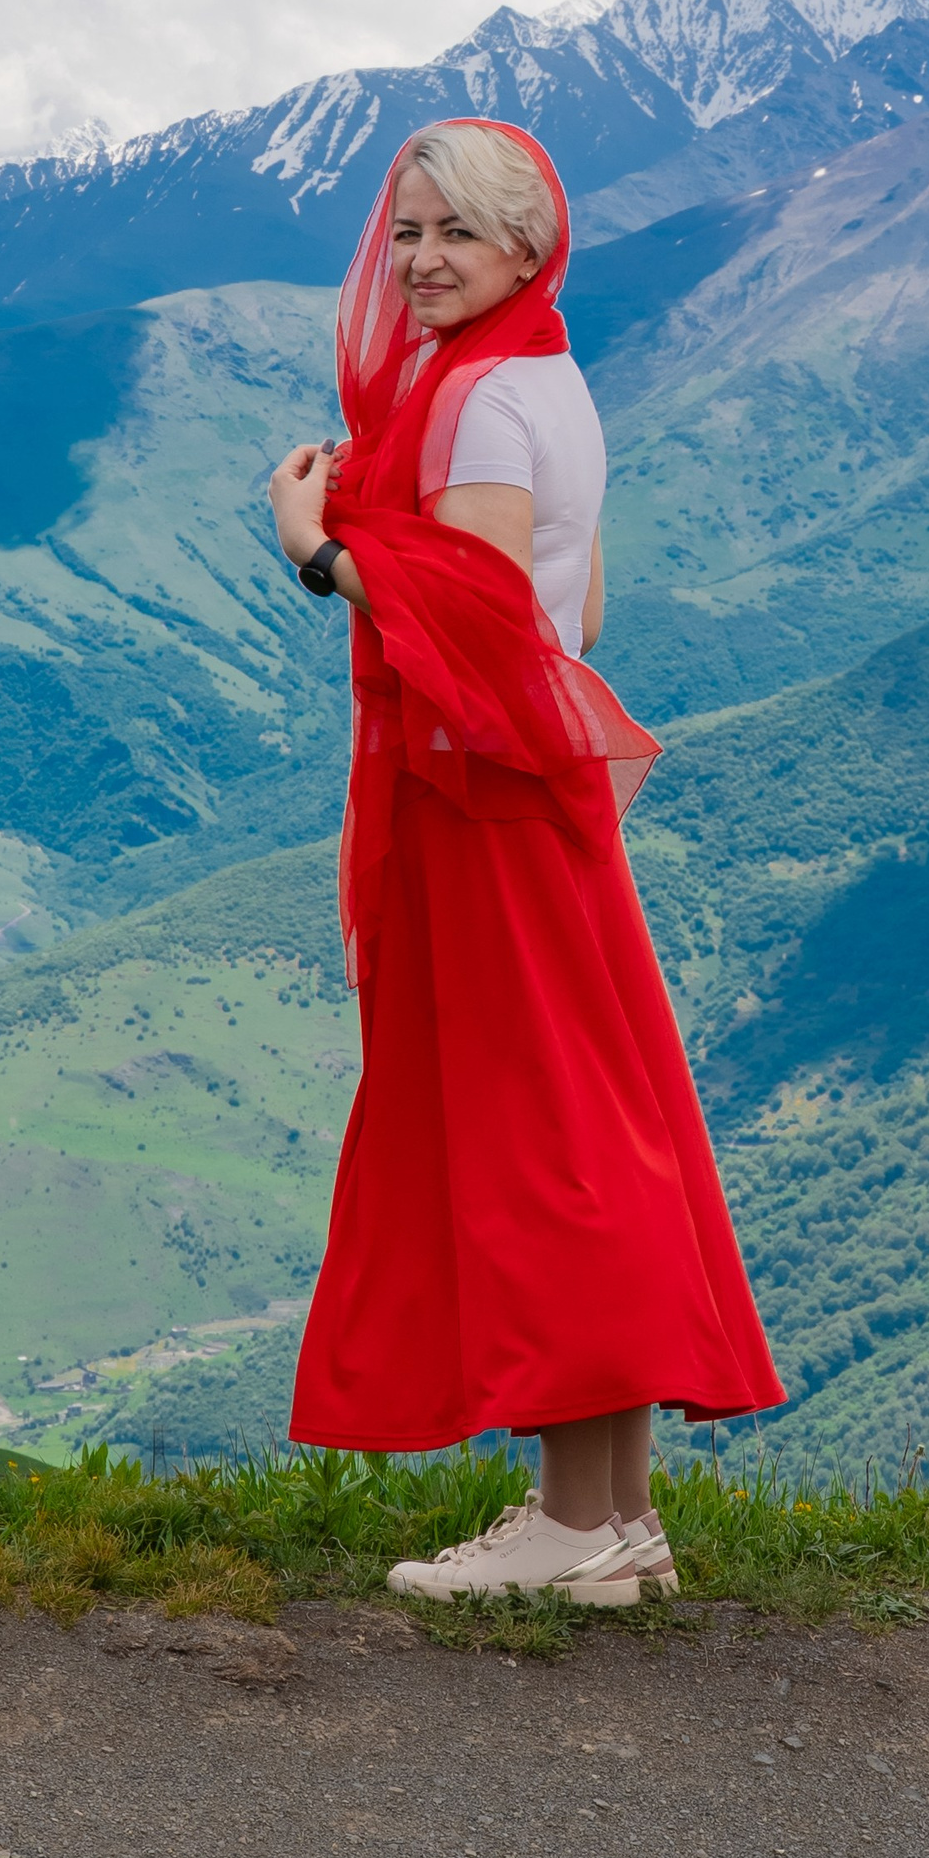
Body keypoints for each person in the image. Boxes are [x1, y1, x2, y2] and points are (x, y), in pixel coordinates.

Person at [267, 117, 781, 1604]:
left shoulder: (483, 409)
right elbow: (580, 619)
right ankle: (609, 1525)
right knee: (582, 1134)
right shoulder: (549, 380)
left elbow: (484, 646)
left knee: (543, 1153)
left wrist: (315, 546)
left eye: (455, 235)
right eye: (406, 231)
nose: (420, 261)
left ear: (525, 248)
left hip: (487, 813)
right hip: (540, 815)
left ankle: (574, 1528)